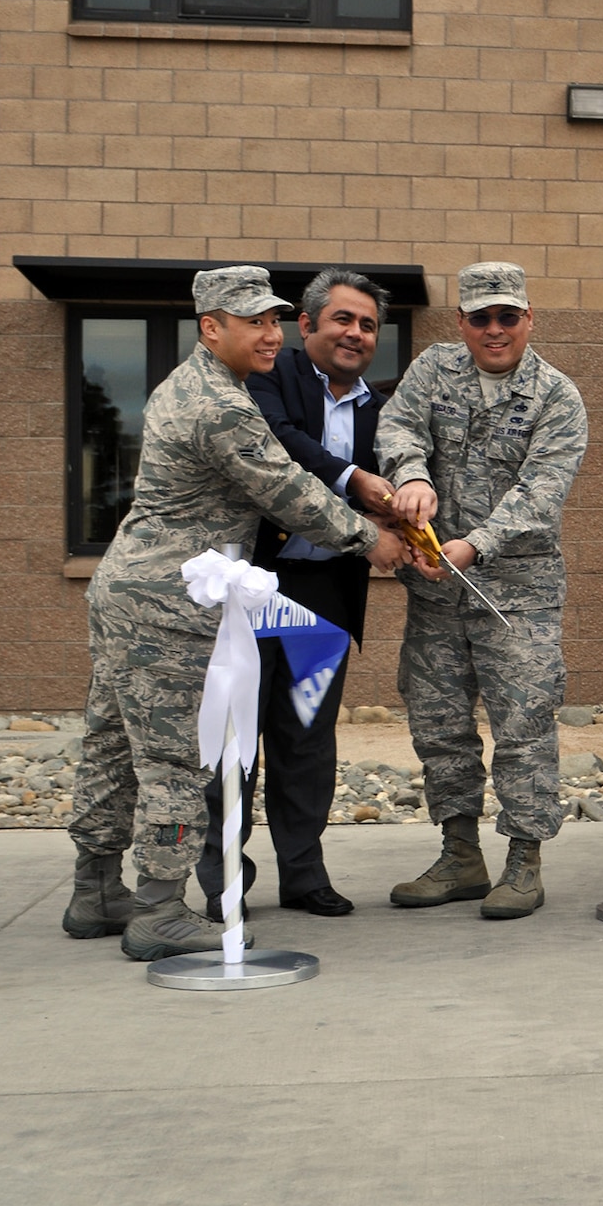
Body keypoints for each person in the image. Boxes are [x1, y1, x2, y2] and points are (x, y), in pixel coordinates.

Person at [66, 266, 406, 962]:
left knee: (110, 745)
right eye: (253, 322)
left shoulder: (189, 384)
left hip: (129, 587)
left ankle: (96, 887)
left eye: (274, 320)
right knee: (175, 758)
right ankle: (159, 905)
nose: (270, 334)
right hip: (171, 601)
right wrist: (375, 541)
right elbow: (285, 490)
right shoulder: (219, 404)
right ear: (210, 327)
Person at [378, 262, 588, 921]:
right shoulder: (433, 372)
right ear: (461, 322)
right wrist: (411, 476)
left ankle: (524, 861)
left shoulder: (557, 396)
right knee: (439, 723)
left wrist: (475, 542)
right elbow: (398, 429)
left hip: (516, 590)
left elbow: (542, 491)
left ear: (528, 318)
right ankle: (460, 854)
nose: (494, 330)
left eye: (507, 316)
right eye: (480, 317)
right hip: (437, 588)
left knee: (522, 726)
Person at [198, 268, 397, 922]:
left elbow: (400, 479)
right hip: (253, 588)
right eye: (343, 318)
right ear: (306, 324)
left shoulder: (380, 411)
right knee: (235, 735)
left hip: (325, 597)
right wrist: (351, 477)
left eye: (368, 324)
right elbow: (278, 445)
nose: (356, 333)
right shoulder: (266, 376)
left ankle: (304, 873)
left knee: (307, 739)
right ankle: (223, 873)